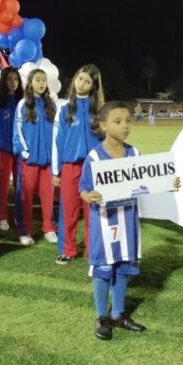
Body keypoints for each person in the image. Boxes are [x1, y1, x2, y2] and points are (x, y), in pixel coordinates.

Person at [79, 101, 180, 340]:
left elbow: (147, 182)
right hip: (105, 224)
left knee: (124, 267)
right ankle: (102, 317)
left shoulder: (134, 154)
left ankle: (118, 314)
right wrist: (88, 195)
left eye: (127, 120)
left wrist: (168, 184)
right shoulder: (93, 157)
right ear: (103, 125)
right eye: (117, 121)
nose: (125, 125)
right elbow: (83, 188)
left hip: (128, 222)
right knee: (103, 268)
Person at [52, 64, 105, 264]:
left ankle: (93, 250)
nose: (81, 84)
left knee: (93, 208)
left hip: (94, 168)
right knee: (68, 208)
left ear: (93, 87)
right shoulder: (64, 108)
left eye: (87, 81)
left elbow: (107, 140)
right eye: (80, 78)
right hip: (70, 167)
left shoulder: (99, 111)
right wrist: (56, 171)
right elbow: (57, 140)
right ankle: (68, 249)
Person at [12, 69, 58, 246]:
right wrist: (25, 152)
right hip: (28, 160)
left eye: (44, 80)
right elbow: (17, 132)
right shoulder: (23, 104)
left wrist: (54, 154)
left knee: (48, 196)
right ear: (30, 83)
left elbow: (55, 131)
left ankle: (49, 228)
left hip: (47, 161)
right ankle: (24, 231)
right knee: (25, 196)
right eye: (38, 79)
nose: (41, 83)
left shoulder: (51, 105)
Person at [0, 67, 24, 231]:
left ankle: (19, 216)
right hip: (3, 150)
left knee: (21, 185)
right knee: (2, 185)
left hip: (21, 151)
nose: (13, 82)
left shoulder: (23, 101)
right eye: (9, 79)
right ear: (3, 81)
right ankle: (1, 216)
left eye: (16, 79)